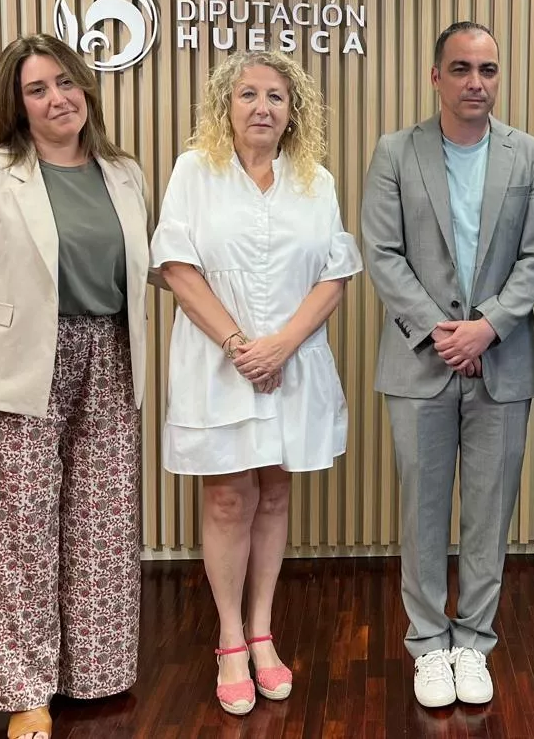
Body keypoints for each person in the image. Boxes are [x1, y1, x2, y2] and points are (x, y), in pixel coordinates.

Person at [0, 33, 153, 739]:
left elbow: (153, 267)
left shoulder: (124, 173)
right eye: (37, 89)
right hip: (19, 365)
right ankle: (26, 690)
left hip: (108, 357)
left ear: (87, 88)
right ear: (16, 106)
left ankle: (93, 670)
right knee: (15, 533)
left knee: (101, 526)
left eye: (66, 83)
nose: (58, 99)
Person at [150, 50, 362, 716]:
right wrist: (242, 346)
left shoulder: (315, 180)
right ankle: (230, 639)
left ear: (292, 109)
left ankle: (263, 628)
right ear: (227, 107)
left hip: (293, 363)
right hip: (220, 362)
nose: (263, 107)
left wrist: (283, 345)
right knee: (227, 499)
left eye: (276, 95)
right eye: (248, 95)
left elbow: (335, 272)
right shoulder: (195, 172)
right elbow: (177, 266)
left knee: (274, 493)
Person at [360, 22, 534, 709]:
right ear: (436, 77)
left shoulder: (530, 157)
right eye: (462, 68)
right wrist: (445, 334)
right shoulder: (395, 152)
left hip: (502, 365)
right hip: (420, 363)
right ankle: (427, 645)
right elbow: (382, 252)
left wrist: (489, 329)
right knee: (421, 512)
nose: (477, 81)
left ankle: (473, 643)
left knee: (489, 513)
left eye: (489, 69)